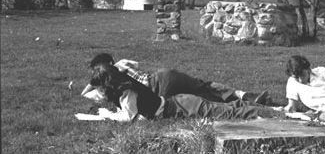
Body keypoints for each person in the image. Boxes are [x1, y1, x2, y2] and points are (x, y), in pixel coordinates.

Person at [84, 63, 285, 122]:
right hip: (178, 100)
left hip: (181, 105)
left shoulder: (127, 92)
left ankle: (282, 114)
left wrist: (106, 115)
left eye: (100, 87)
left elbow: (129, 117)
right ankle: (276, 109)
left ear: (108, 84)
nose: (99, 91)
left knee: (231, 112)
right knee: (227, 107)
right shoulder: (126, 84)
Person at [81, 53, 270, 105]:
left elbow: (85, 93)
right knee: (205, 86)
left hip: (157, 90)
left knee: (199, 103)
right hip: (166, 74)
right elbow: (136, 64)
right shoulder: (122, 63)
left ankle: (242, 107)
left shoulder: (110, 75)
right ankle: (245, 96)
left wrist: (94, 80)